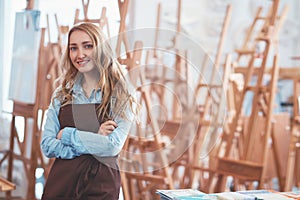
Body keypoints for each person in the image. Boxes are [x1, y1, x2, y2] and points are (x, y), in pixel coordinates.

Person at [40, 22, 137, 200]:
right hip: (62, 184)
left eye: (88, 46)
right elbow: (47, 145)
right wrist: (95, 138)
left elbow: (112, 146)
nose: (80, 54)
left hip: (101, 187)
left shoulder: (121, 93)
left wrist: (68, 135)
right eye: (73, 48)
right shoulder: (62, 94)